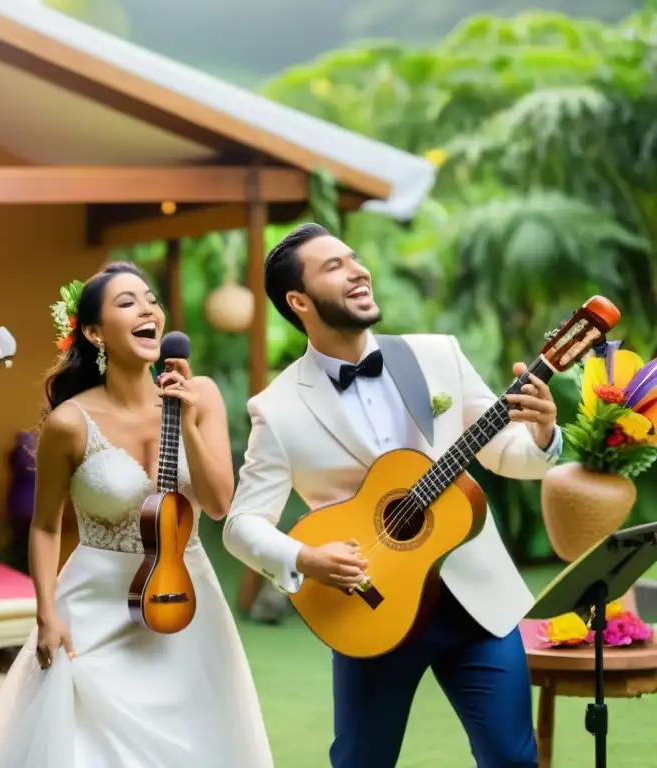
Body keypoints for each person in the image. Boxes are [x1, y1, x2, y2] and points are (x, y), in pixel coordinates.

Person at [223, 223, 561, 767]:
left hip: (476, 599)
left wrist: (542, 436)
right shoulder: (277, 408)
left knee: (513, 759)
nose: (358, 271)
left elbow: (504, 453)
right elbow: (242, 524)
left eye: (355, 260)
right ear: (297, 300)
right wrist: (304, 557)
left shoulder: (438, 355)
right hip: (369, 605)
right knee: (362, 761)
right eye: (334, 266)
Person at [0, 262, 274, 768]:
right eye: (127, 303)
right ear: (92, 331)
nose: (148, 309)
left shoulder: (203, 395)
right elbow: (45, 525)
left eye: (150, 299)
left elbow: (217, 504)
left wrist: (188, 420)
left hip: (186, 601)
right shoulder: (69, 423)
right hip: (94, 606)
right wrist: (46, 613)